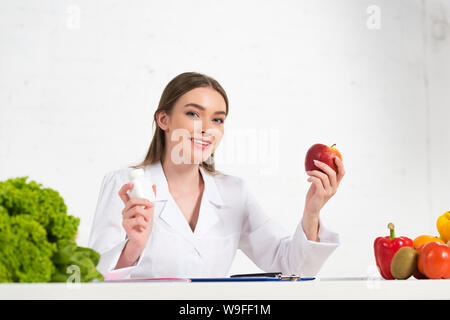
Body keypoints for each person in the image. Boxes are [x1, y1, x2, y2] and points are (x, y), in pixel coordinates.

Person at [88, 72, 345, 279]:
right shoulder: (126, 185)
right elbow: (94, 281)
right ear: (164, 120)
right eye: (193, 114)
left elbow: (293, 268)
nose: (207, 129)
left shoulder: (235, 193)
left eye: (218, 120)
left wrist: (312, 212)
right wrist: (133, 247)